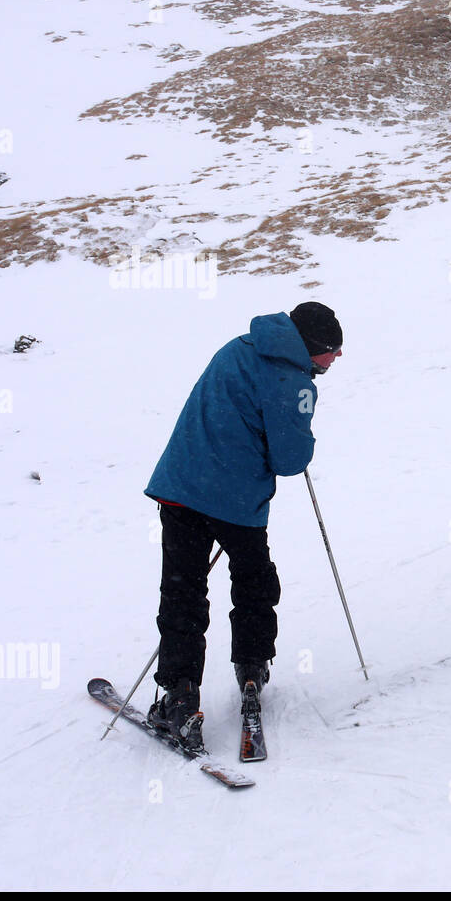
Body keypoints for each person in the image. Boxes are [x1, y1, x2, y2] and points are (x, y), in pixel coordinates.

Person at [143, 302, 343, 747]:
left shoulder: (237, 348)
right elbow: (291, 461)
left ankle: (179, 695)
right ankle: (252, 665)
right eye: (332, 350)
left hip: (181, 486)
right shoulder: (295, 383)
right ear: (311, 349)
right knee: (253, 580)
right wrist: (301, 434)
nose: (338, 357)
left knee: (183, 589)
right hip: (235, 502)